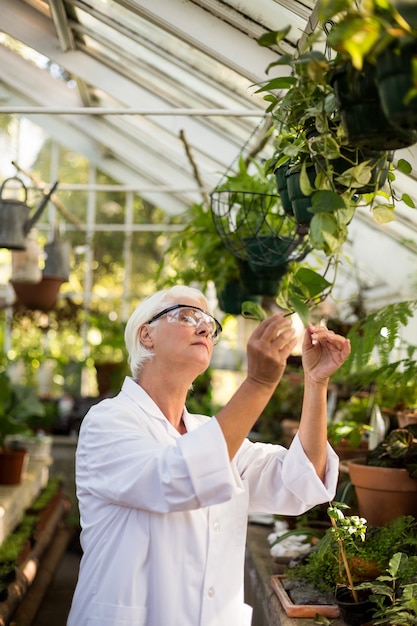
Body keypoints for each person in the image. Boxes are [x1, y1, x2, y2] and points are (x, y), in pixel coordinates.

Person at [67, 284, 351, 626]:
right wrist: (259, 383)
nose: (204, 328)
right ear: (146, 336)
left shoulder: (208, 431)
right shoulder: (108, 422)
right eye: (187, 316)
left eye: (210, 324)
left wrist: (315, 383)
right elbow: (175, 480)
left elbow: (298, 482)